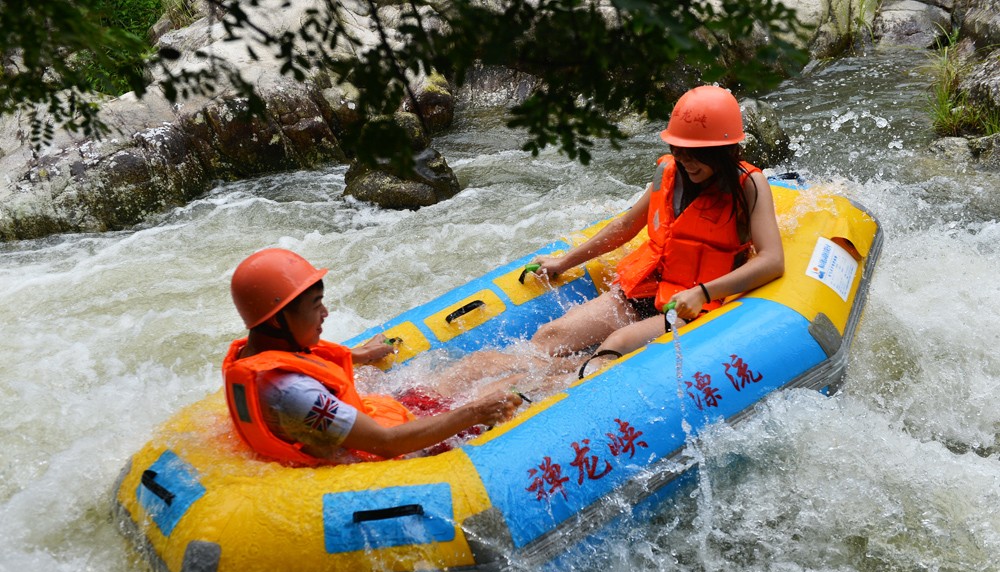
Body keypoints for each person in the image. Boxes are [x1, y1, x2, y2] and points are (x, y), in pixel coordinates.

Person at [527, 85, 785, 374]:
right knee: (548, 337)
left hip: (694, 304)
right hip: (645, 290)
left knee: (616, 344)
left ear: (722, 151)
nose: (685, 161)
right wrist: (564, 261)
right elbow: (625, 226)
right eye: (678, 150)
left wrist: (702, 292)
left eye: (694, 153)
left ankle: (567, 385)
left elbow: (772, 261)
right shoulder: (670, 171)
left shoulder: (748, 185)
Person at [222, 248, 523, 466]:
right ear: (277, 320)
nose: (325, 314)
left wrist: (360, 355)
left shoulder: (252, 353)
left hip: (380, 419)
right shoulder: (294, 395)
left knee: (481, 363)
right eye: (316, 305)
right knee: (518, 385)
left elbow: (305, 361)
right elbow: (387, 444)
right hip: (397, 451)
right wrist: (476, 412)